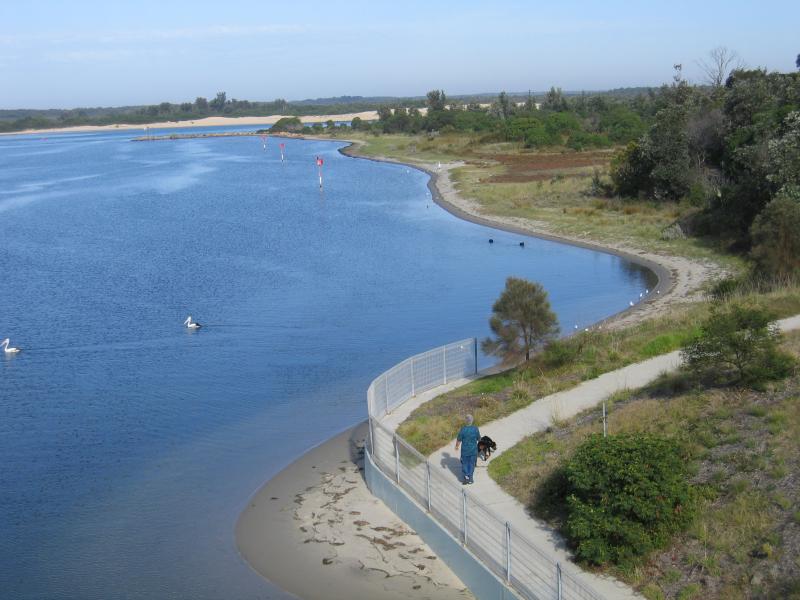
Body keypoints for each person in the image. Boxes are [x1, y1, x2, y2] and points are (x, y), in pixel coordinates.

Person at [454, 414, 480, 485]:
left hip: (465, 450)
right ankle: (470, 478)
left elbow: (459, 439)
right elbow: (478, 438)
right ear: (472, 420)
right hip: (473, 450)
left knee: (464, 463)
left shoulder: (463, 429)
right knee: (471, 463)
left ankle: (466, 477)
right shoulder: (475, 429)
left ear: (465, 421)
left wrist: (456, 446)